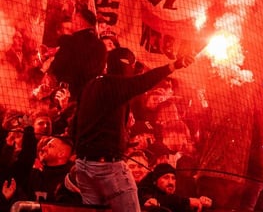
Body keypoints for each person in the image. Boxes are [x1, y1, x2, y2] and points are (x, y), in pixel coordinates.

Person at [72, 40, 195, 212]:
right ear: (125, 65)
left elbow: (75, 127)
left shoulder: (91, 86)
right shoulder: (113, 85)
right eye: (132, 66)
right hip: (106, 167)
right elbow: (142, 82)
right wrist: (174, 65)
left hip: (84, 167)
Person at [138, 163, 213, 212]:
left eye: (173, 178)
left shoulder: (177, 198)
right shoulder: (147, 195)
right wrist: (188, 201)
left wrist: (202, 204)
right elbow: (164, 200)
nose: (171, 182)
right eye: (166, 177)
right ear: (155, 182)